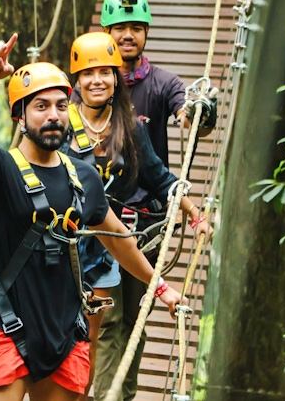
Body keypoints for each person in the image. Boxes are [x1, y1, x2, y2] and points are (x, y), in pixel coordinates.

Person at [0, 33, 187, 401]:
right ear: (20, 115)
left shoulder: (84, 176)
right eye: (41, 106)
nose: (53, 115)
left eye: (61, 106)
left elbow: (118, 238)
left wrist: (161, 286)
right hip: (6, 326)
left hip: (64, 332)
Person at [63, 31, 213, 401]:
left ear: (116, 78)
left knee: (99, 333)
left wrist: (194, 214)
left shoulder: (130, 127)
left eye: (105, 73)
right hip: (62, 243)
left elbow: (159, 177)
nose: (97, 80)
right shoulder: (60, 123)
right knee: (59, 334)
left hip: (110, 244)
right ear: (77, 82)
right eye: (88, 74)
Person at [97, 0, 218, 168]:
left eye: (136, 28)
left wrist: (203, 116)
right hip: (101, 191)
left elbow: (189, 121)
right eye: (120, 28)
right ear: (106, 32)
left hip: (151, 192)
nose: (128, 35)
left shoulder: (165, 83)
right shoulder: (93, 84)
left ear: (147, 31)